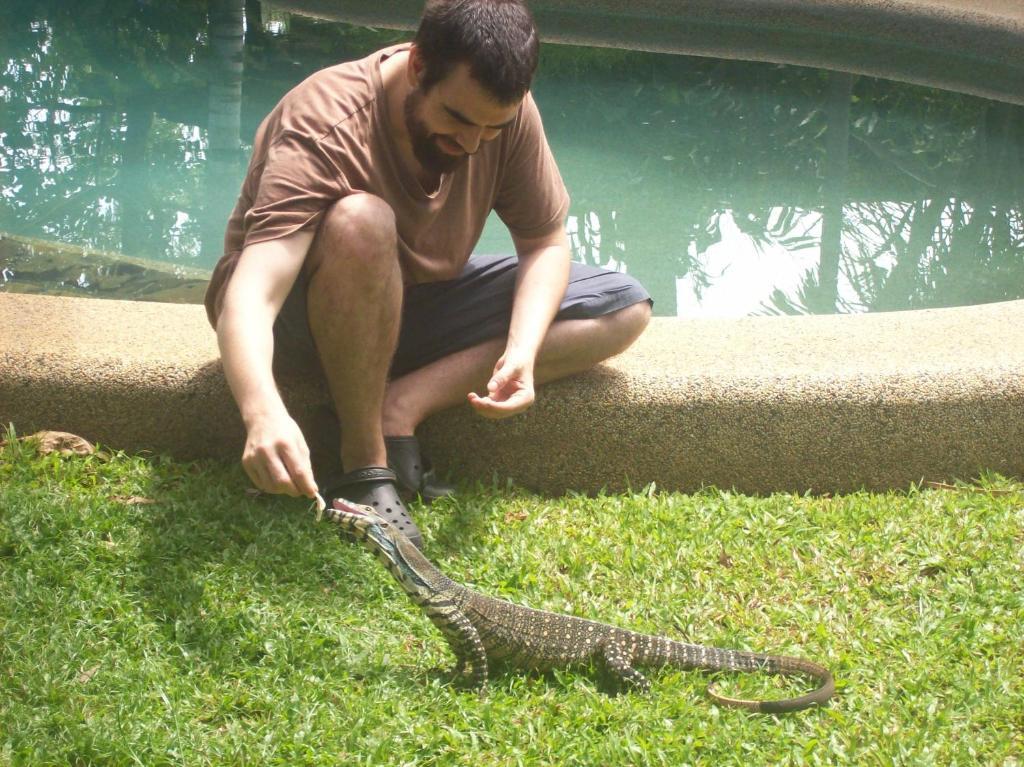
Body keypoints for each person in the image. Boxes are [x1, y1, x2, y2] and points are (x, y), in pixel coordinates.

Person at [204, 0, 652, 547]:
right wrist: (262, 411)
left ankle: (400, 406)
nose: (471, 144)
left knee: (621, 306)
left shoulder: (500, 112)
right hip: (298, 320)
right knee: (362, 221)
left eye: (492, 129)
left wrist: (521, 350)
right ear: (417, 66)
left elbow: (544, 243)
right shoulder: (326, 120)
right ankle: (366, 466)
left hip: (411, 299)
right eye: (458, 120)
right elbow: (251, 295)